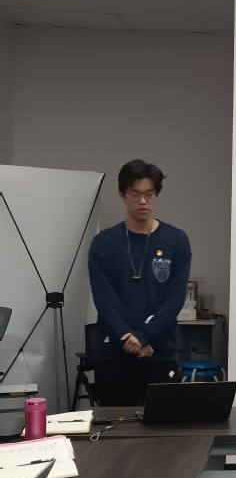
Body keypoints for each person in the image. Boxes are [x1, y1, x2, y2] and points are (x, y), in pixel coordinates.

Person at [88, 160, 192, 406]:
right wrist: (131, 339)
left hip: (160, 351)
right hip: (115, 353)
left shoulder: (176, 240)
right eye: (135, 195)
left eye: (149, 194)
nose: (143, 202)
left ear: (156, 195)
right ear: (122, 195)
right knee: (115, 425)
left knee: (164, 424)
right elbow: (104, 298)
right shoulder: (103, 243)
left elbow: (174, 298)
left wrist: (145, 335)